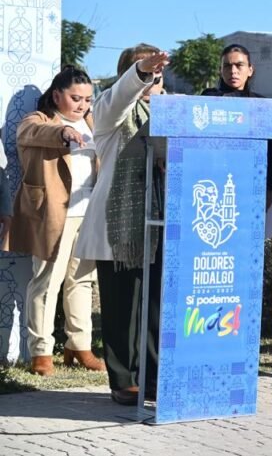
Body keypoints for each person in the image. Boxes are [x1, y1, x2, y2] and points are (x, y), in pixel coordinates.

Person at [74, 45, 170, 405]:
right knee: (123, 306)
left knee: (156, 305)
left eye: (157, 72)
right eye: (146, 72)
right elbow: (119, 98)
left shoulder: (172, 115)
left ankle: (154, 376)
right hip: (121, 228)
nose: (153, 78)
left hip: (163, 220)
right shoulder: (109, 110)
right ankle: (124, 379)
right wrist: (140, 72)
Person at [9, 67, 104, 376]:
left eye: (87, 99)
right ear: (56, 95)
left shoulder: (92, 122)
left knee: (82, 281)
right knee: (47, 282)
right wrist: (62, 133)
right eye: (76, 98)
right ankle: (41, 351)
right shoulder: (38, 120)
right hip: (53, 214)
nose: (82, 105)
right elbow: (30, 133)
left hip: (89, 212)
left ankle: (79, 345)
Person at [202, 44, 272, 238]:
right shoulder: (207, 101)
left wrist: (269, 189)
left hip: (252, 188)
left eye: (239, 65)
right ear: (220, 70)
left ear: (250, 70)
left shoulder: (263, 106)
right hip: (214, 186)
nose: (233, 71)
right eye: (227, 66)